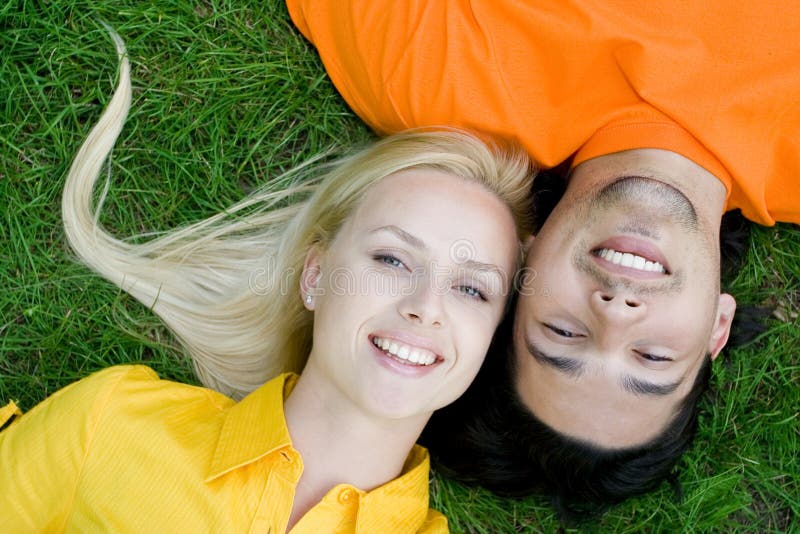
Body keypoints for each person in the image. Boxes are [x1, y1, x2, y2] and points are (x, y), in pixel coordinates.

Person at [0, 30, 536, 532]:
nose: (426, 306)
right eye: (392, 260)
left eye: (472, 289)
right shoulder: (111, 424)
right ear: (315, 275)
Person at [284, 0, 800, 515]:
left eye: (564, 333)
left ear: (518, 268)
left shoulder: (431, 76)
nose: (615, 312)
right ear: (717, 327)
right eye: (652, 357)